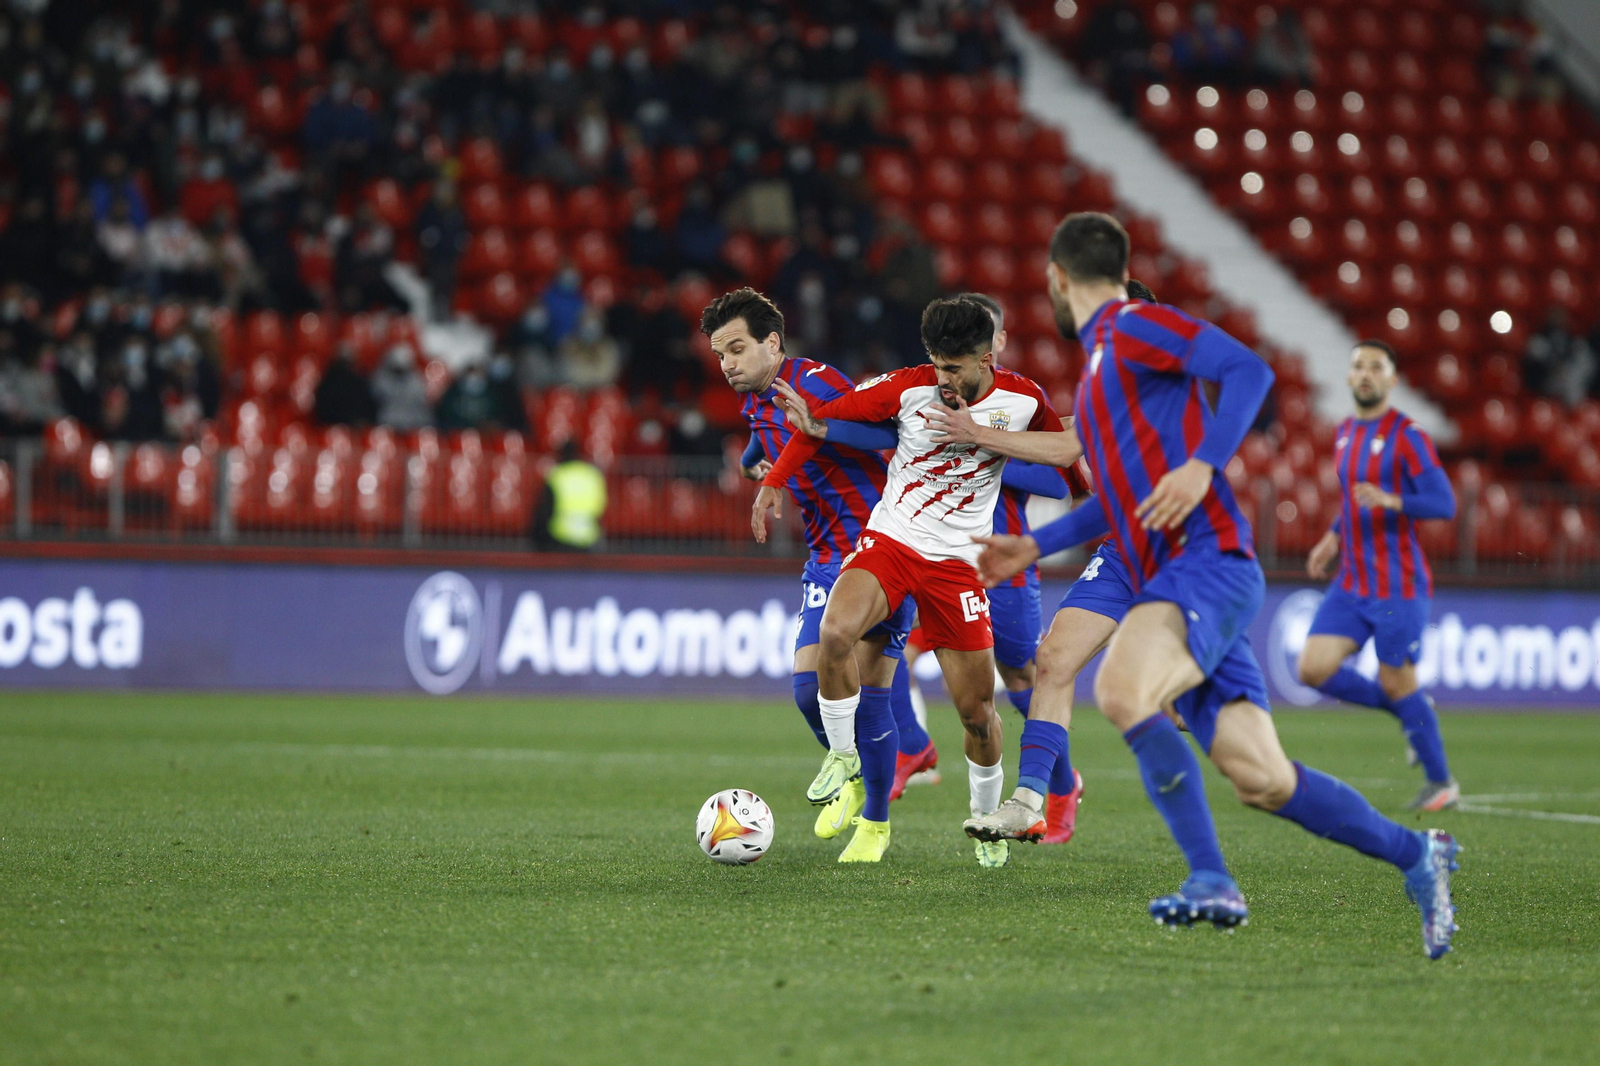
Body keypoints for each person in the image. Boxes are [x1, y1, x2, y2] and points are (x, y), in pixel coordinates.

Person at [965, 212, 1458, 959]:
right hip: (1173, 573)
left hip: (1207, 559)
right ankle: (1418, 857)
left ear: (1057, 279)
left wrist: (1202, 463)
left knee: (1123, 690)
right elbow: (1118, 500)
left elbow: (1249, 371)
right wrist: (1036, 543)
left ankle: (1210, 879)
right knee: (1263, 780)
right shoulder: (1100, 373)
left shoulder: (1133, 326)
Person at [761, 296, 1067, 868]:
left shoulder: (1023, 401)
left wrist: (1094, 485)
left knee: (977, 713)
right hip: (893, 542)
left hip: (957, 566)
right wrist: (776, 475)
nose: (944, 378)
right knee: (834, 635)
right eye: (937, 364)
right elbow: (822, 419)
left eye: (956, 367)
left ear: (986, 355)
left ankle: (986, 818)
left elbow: (1065, 456)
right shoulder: (908, 386)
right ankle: (846, 758)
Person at [703, 287, 926, 862]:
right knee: (809, 690)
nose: (727, 364)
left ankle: (874, 823)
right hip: (827, 554)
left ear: (772, 343)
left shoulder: (818, 382)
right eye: (719, 353)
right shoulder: (757, 399)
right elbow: (768, 433)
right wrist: (762, 464)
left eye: (736, 349)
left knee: (867, 695)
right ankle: (854, 776)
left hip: (880, 547)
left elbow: (884, 436)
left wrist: (806, 445)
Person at [1298, 341, 1459, 811]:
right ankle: (1413, 712)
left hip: (1398, 585)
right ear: (1348, 378)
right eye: (1358, 366)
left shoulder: (1408, 435)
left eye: (1376, 367)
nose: (1365, 374)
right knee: (1312, 668)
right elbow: (1353, 499)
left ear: (1391, 380)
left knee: (1395, 679)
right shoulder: (1346, 431)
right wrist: (1332, 536)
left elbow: (1444, 503)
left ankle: (1442, 781)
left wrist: (1394, 500)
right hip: (1351, 582)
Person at [533, 439, 607, 550]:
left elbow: (545, 510)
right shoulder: (593, 475)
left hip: (560, 538)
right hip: (589, 539)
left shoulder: (557, 475)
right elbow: (602, 506)